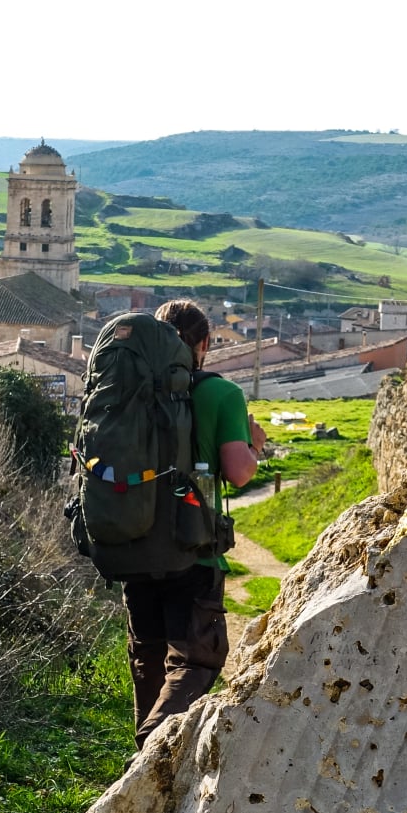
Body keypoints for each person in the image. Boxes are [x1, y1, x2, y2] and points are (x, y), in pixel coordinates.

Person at [125, 299, 267, 749]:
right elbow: (240, 471)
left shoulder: (128, 387)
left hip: (130, 538)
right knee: (196, 658)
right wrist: (255, 444)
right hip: (192, 545)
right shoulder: (221, 394)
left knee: (147, 651)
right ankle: (154, 748)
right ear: (205, 343)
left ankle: (142, 752)